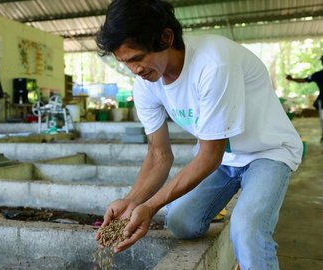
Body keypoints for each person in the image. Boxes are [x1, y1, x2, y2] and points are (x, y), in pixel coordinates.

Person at [94, 0, 303, 269]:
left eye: (138, 58)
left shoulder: (213, 64)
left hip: (268, 152)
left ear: (166, 37)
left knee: (247, 231)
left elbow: (209, 156)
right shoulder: (146, 84)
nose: (134, 70)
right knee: (180, 222)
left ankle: (249, 244)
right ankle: (232, 208)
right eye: (125, 63)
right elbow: (159, 155)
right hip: (226, 160)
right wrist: (132, 202)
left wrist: (151, 205)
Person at [285, 55, 323, 142]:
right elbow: (304, 80)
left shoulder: (319, 74)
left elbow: (304, 80)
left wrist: (292, 79)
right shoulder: (318, 75)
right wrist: (292, 79)